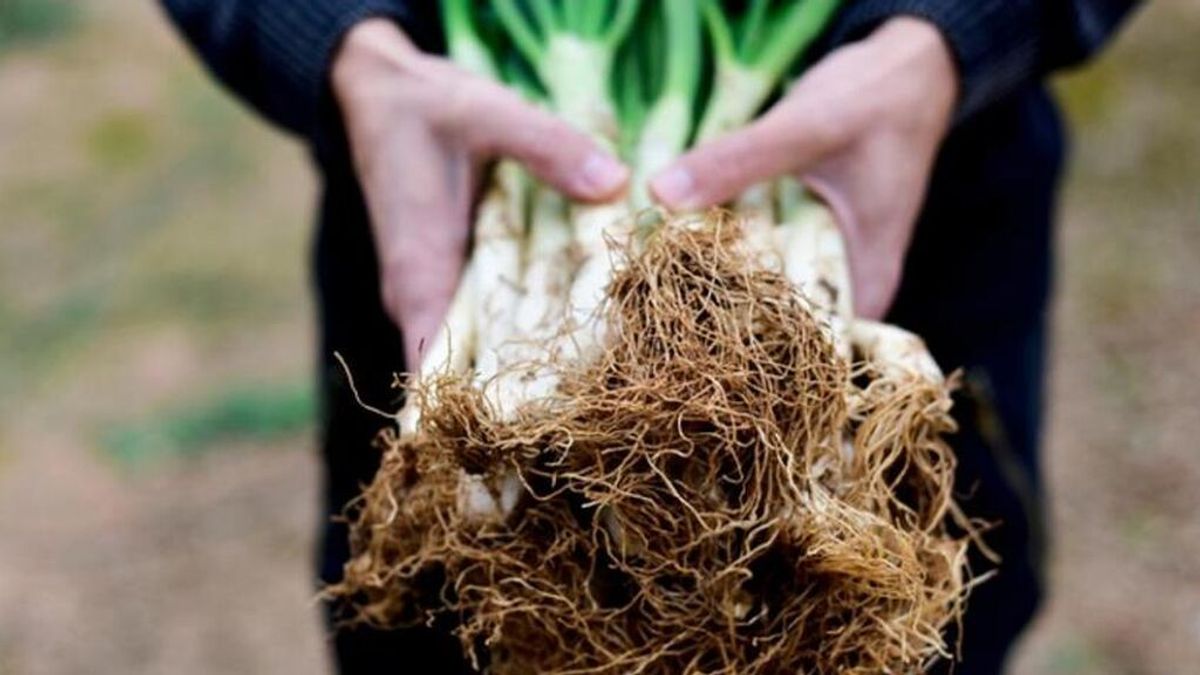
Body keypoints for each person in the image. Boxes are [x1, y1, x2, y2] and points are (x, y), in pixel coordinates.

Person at [160, 1, 1139, 673]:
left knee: (904, 618)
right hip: (442, 180)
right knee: (450, 609)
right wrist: (340, 46)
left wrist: (956, 32)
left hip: (931, 195)